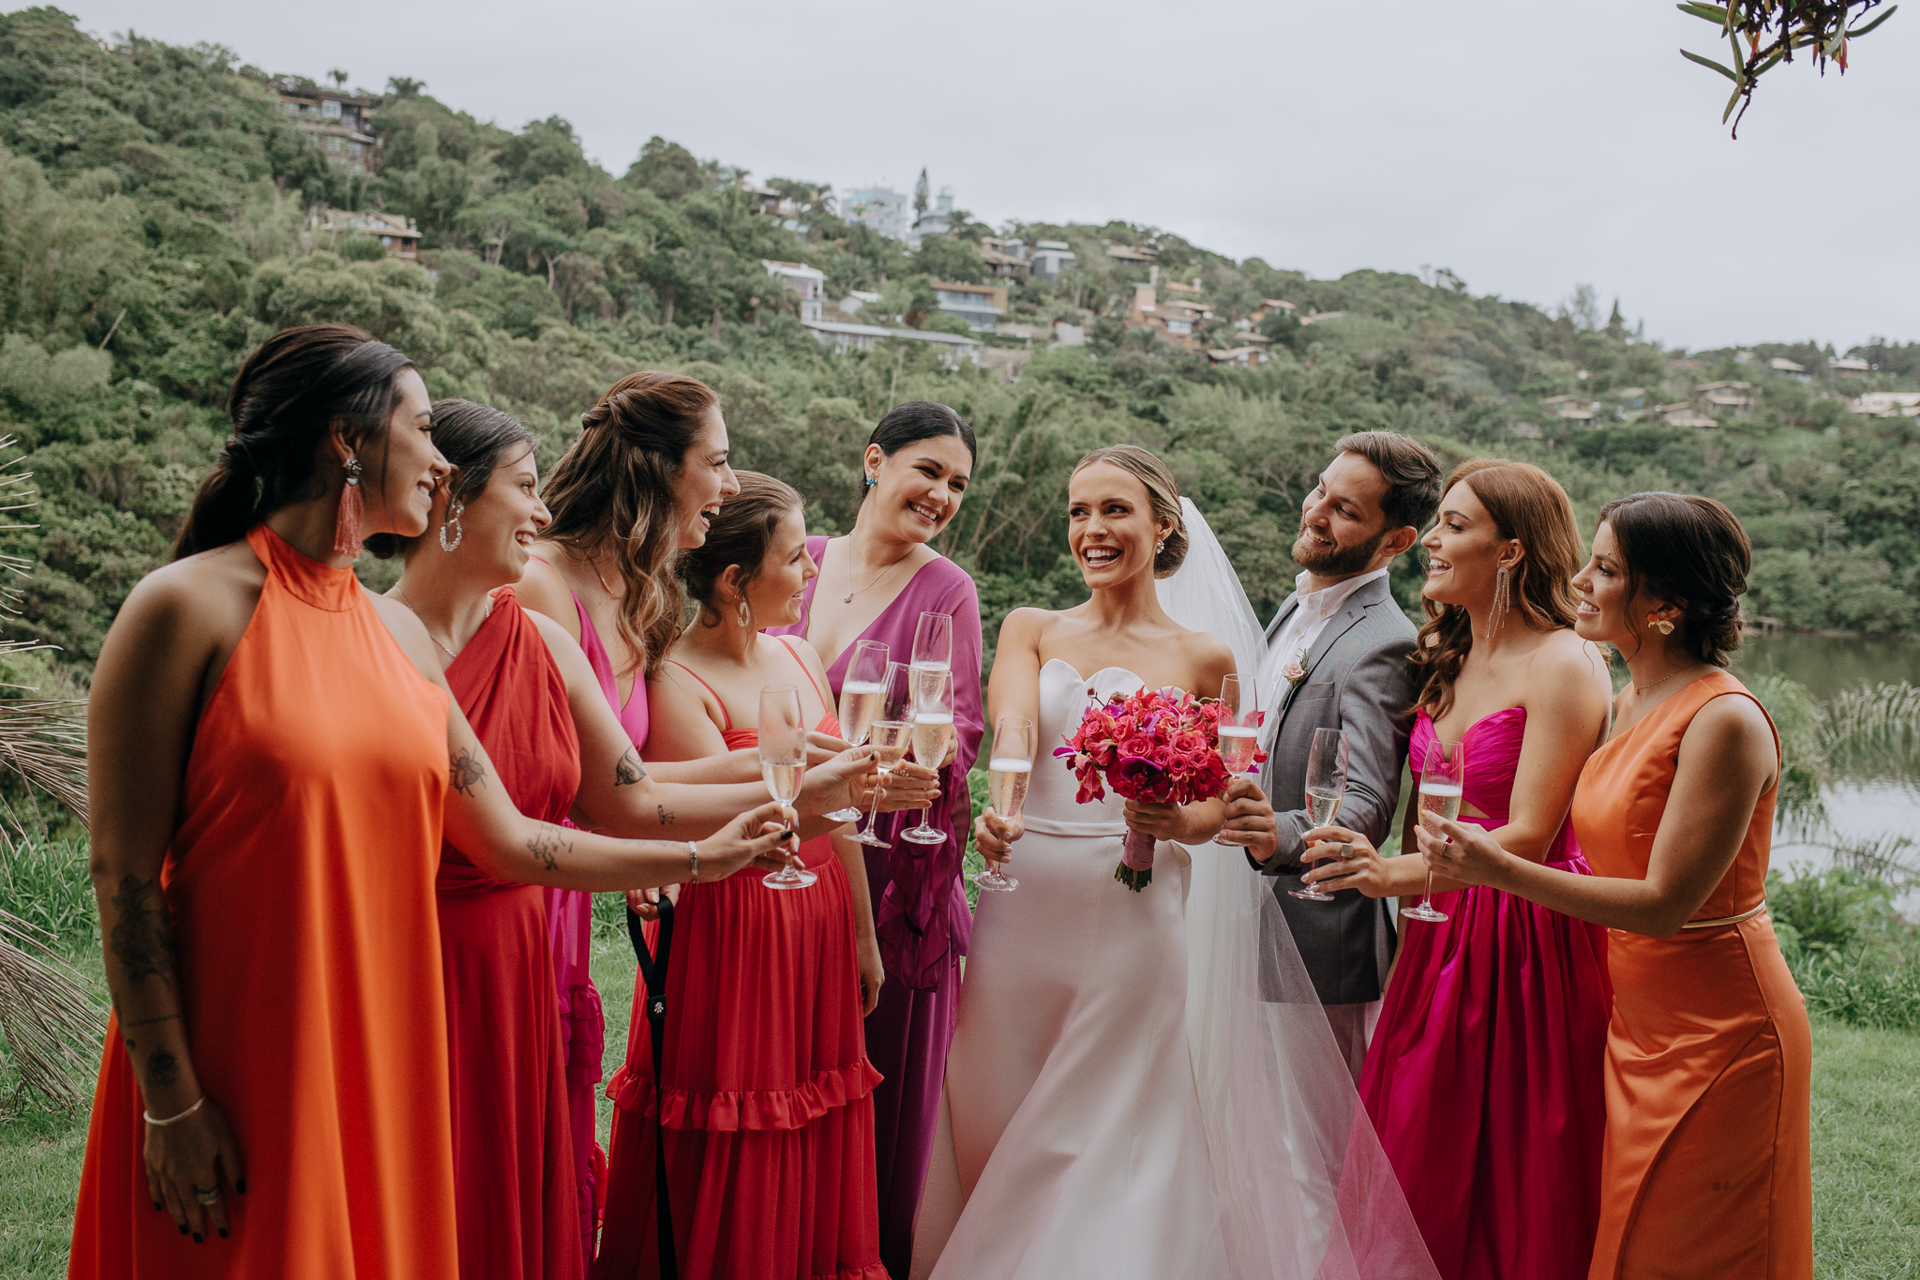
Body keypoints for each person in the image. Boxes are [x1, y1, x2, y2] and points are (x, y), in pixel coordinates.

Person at [70, 326, 795, 1278]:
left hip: (379, 1032)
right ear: (346, 441)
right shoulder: (185, 607)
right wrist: (169, 1096)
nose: (442, 461)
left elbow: (511, 843)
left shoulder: (397, 638)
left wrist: (713, 856)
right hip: (238, 1043)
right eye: (422, 429)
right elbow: (123, 876)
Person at [371, 408, 873, 1280]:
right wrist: (709, 855)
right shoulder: (394, 636)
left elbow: (629, 794)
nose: (539, 514)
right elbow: (515, 837)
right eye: (523, 490)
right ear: (447, 495)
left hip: (528, 938)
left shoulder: (551, 640)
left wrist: (798, 785)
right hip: (415, 937)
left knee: (513, 1177)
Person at [914, 445, 1438, 1280]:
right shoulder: (1030, 627)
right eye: (1079, 511)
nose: (1093, 529)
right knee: (992, 1099)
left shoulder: (1205, 658)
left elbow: (1222, 811)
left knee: (1107, 1114)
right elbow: (1013, 736)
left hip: (1135, 909)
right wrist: (999, 811)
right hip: (1024, 901)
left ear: (1163, 524)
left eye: (1115, 510)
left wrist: (1174, 817)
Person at [1419, 492, 1812, 1280]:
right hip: (1633, 1021)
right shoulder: (1628, 699)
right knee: (1620, 1246)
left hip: (1721, 1030)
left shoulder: (1723, 720)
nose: (1579, 584)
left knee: (1696, 1253)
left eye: (1606, 571)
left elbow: (1666, 904)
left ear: (1664, 605)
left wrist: (1501, 870)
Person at [1299, 459, 1614, 1279]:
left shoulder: (1566, 662)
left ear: (1511, 551)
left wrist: (1388, 877)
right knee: (1416, 1137)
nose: (1432, 541)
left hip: (1526, 938)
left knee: (1516, 1161)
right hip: (1436, 934)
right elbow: (1418, 815)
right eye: (1436, 522)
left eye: (1455, 525)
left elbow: (1532, 835)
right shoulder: (1450, 655)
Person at [594, 473, 891, 1280]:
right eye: (796, 558)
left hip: (820, 913)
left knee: (816, 1101)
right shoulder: (674, 679)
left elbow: (836, 816)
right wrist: (834, 790)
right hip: (735, 924)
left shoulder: (799, 656)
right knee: (742, 1110)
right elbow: (722, 824)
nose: (810, 573)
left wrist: (862, 933)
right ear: (735, 581)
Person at [514, 371, 759, 1251]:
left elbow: (636, 773)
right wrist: (780, 790)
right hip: (522, 890)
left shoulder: (638, 594)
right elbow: (598, 794)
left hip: (578, 899)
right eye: (719, 462)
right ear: (658, 470)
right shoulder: (542, 589)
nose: (730, 486)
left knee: (557, 1128)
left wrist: (778, 763)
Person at [766, 401, 982, 1279]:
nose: (940, 494)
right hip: (777, 846)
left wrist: (914, 778)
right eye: (927, 470)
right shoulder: (802, 561)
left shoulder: (949, 591)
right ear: (872, 461)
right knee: (776, 1075)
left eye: (959, 484)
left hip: (887, 868)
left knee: (871, 1084)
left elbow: (957, 733)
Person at [1246, 430, 1443, 1078]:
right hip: (1247, 927)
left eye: (1345, 510)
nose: (1316, 512)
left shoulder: (1386, 642)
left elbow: (1365, 806)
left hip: (1317, 937)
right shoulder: (1292, 608)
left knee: (1319, 1165)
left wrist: (1262, 833)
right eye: (1320, 491)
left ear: (1397, 542)